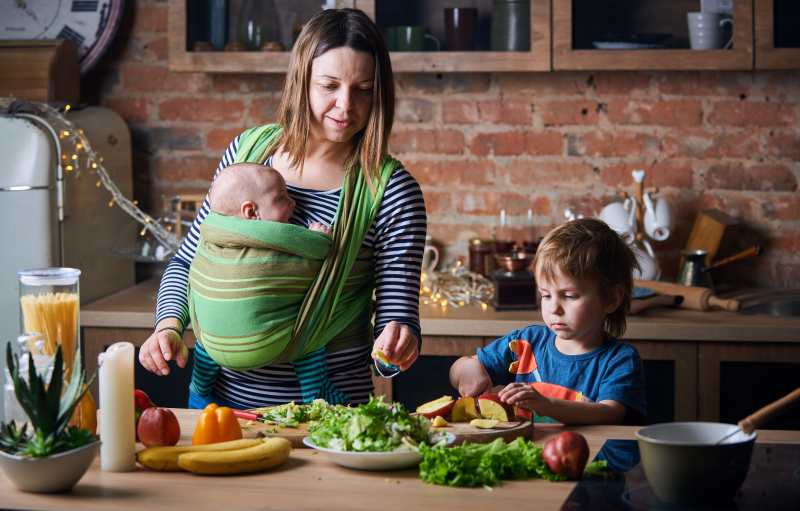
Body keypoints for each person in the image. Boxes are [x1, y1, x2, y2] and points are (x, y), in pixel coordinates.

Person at [138, 8, 426, 409]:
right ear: (301, 81)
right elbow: (190, 262)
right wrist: (168, 326)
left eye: (363, 89)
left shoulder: (391, 190)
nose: (345, 105)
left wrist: (398, 344)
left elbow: (398, 321)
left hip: (329, 419)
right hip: (226, 412)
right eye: (329, 85)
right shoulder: (248, 153)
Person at [449, 218, 646, 425]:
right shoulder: (525, 343)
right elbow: (459, 368)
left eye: (570, 296)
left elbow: (609, 413)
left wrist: (547, 405)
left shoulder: (620, 360)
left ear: (611, 299)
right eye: (546, 295)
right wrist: (469, 371)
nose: (554, 308)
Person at [206, 162, 329, 235]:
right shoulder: (270, 238)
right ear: (251, 212)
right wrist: (316, 238)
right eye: (281, 198)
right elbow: (304, 259)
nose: (293, 202)